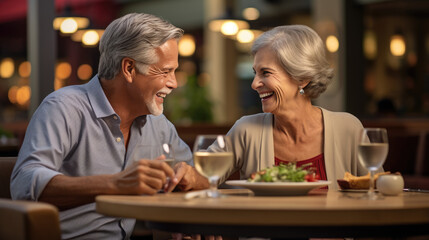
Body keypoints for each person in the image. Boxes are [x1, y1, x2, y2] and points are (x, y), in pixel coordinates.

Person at [11, 13, 208, 239]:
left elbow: (202, 179)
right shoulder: (64, 107)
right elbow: (25, 185)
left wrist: (194, 181)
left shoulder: (158, 123)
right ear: (129, 69)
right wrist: (115, 184)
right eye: (165, 71)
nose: (173, 83)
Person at [220, 25, 374, 189]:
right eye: (255, 73)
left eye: (265, 73)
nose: (254, 84)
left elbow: (377, 190)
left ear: (302, 78)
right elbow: (202, 176)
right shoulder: (246, 130)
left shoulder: (348, 128)